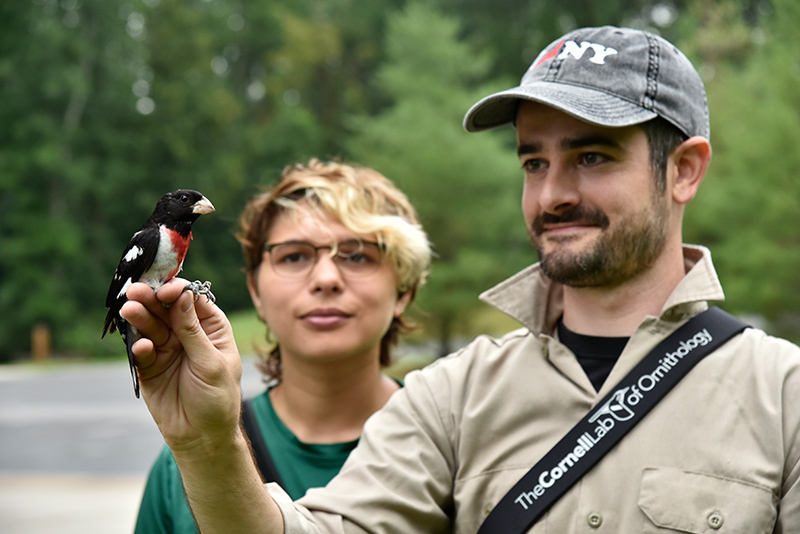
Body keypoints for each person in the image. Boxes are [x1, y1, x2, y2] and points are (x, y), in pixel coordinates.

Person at [122, 26, 800, 533]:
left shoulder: (784, 397)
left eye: (592, 156)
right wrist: (208, 443)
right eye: (533, 162)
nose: (554, 193)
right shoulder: (452, 397)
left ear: (684, 170)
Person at [130, 159, 431, 533]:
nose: (325, 278)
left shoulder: (450, 443)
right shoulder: (180, 465)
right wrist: (205, 447)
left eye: (357, 255)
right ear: (255, 289)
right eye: (294, 255)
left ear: (405, 289)